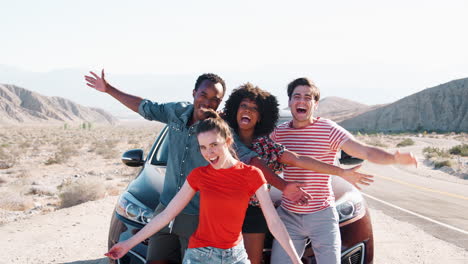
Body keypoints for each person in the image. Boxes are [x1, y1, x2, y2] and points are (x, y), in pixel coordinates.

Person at [84, 70, 310, 264]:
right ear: (194, 93)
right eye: (204, 94)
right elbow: (145, 107)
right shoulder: (177, 117)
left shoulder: (228, 146)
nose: (209, 101)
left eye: (215, 99)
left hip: (203, 222)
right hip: (170, 211)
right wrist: (109, 89)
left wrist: (284, 186)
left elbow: (252, 162)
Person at [105, 110, 303, 264]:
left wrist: (295, 260)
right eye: (203, 147)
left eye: (214, 145)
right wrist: (128, 244)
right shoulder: (199, 176)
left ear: (228, 141)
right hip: (201, 255)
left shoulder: (251, 175)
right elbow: (166, 215)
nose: (209, 153)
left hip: (236, 255)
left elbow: (274, 222)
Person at [269, 78, 418, 264]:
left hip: (322, 216)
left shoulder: (329, 129)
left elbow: (363, 150)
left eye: (308, 97)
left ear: (315, 104)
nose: (301, 101)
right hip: (288, 216)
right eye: (296, 96)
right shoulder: (278, 134)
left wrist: (393, 158)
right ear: (290, 102)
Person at [223, 83, 374, 264]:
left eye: (254, 108)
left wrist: (341, 172)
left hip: (258, 213)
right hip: (223, 210)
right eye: (244, 106)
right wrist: (283, 186)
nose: (248, 111)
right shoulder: (220, 137)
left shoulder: (266, 144)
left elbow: (296, 159)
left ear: (261, 116)